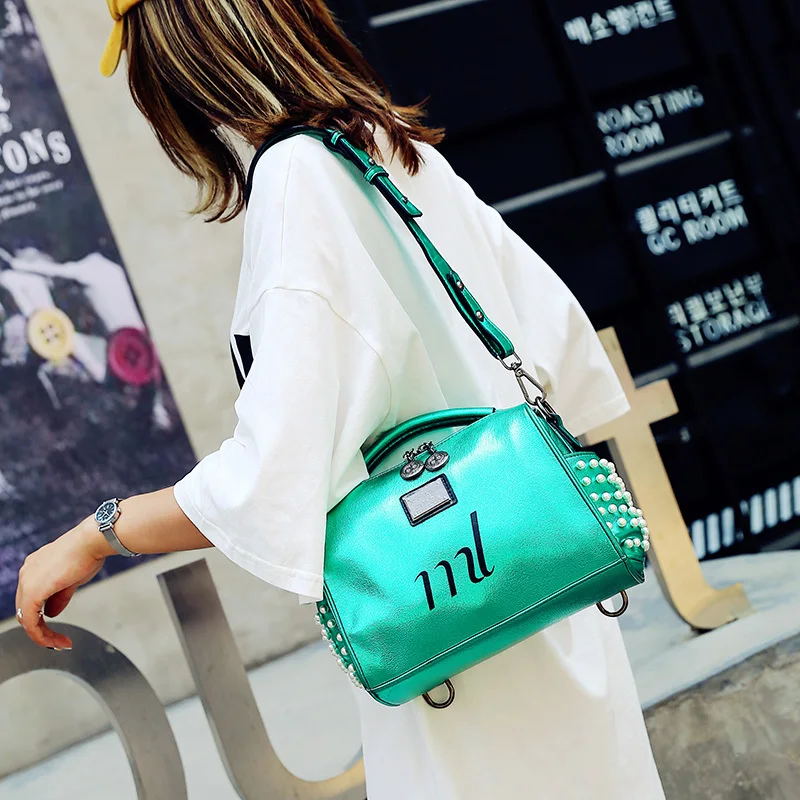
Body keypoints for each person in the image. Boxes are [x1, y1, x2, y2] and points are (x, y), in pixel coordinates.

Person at [15, 1, 666, 797]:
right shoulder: (388, 144)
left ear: (184, 59)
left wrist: (99, 532)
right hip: (548, 585)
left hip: (450, 625)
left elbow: (276, 473)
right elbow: (556, 340)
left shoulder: (295, 179)